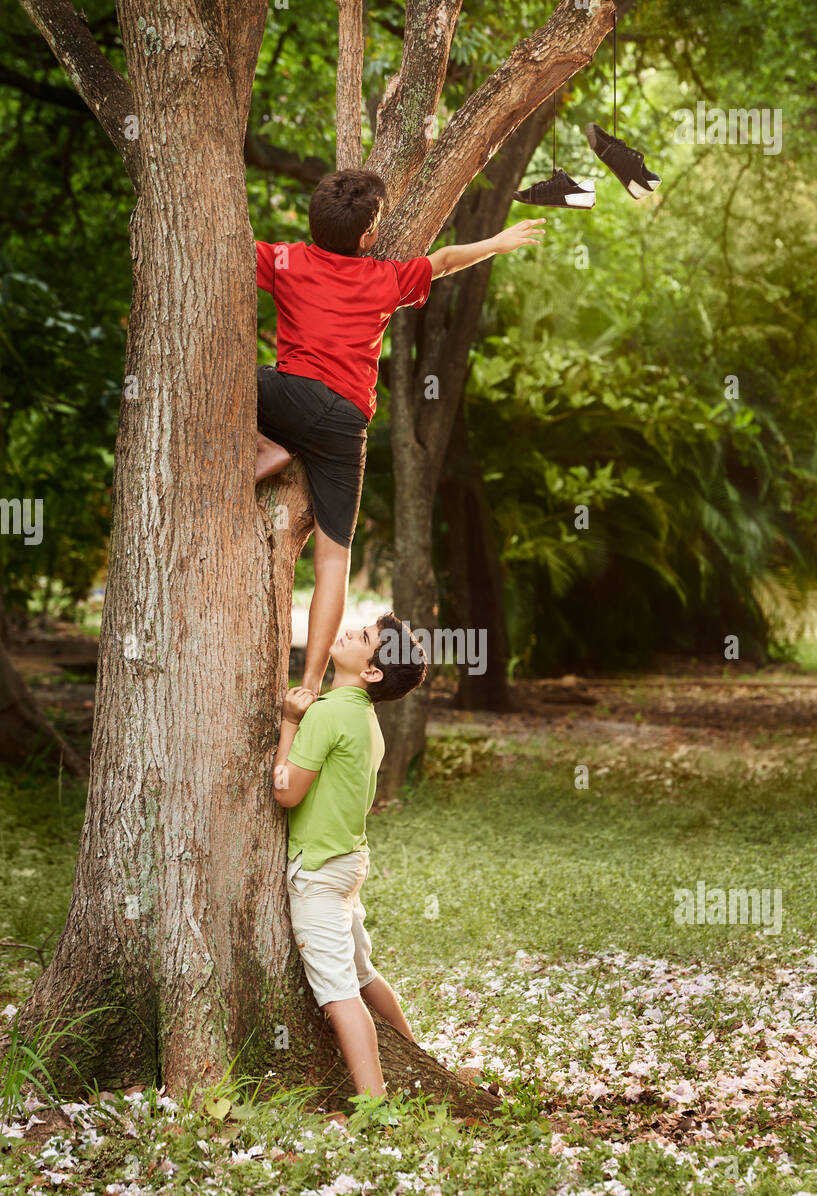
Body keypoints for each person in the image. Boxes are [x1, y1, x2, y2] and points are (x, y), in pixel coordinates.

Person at [255, 168, 545, 695]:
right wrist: (499, 244)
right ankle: (311, 683)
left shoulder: (286, 259)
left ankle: (266, 447)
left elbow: (231, 247)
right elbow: (446, 260)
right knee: (334, 560)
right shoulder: (384, 279)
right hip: (346, 423)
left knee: (229, 375)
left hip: (287, 399)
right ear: (368, 238)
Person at [272, 611, 428, 1100]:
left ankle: (375, 1106)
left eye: (362, 637)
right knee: (362, 974)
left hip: (319, 873)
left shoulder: (326, 713)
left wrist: (288, 723)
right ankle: (417, 1059)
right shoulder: (363, 717)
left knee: (339, 994)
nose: (350, 631)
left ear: (373, 672)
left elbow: (286, 793)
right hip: (348, 864)